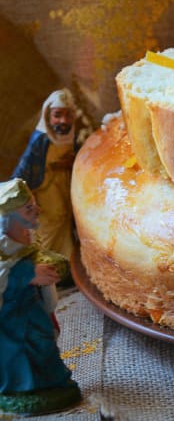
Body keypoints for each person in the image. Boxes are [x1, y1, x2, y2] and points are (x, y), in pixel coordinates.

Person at [0, 178, 80, 414]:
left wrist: (53, 265)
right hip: (9, 319)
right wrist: (28, 274)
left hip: (31, 308)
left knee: (43, 343)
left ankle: (50, 383)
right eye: (29, 209)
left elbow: (33, 255)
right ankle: (19, 389)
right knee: (17, 352)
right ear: (10, 217)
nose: (38, 211)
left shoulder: (24, 237)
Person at [11, 88, 77, 262]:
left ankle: (65, 262)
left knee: (64, 220)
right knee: (50, 223)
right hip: (45, 192)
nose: (63, 121)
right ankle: (44, 263)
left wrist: (70, 163)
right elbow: (24, 169)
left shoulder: (70, 137)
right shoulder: (40, 140)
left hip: (63, 188)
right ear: (48, 116)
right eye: (57, 115)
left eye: (68, 115)